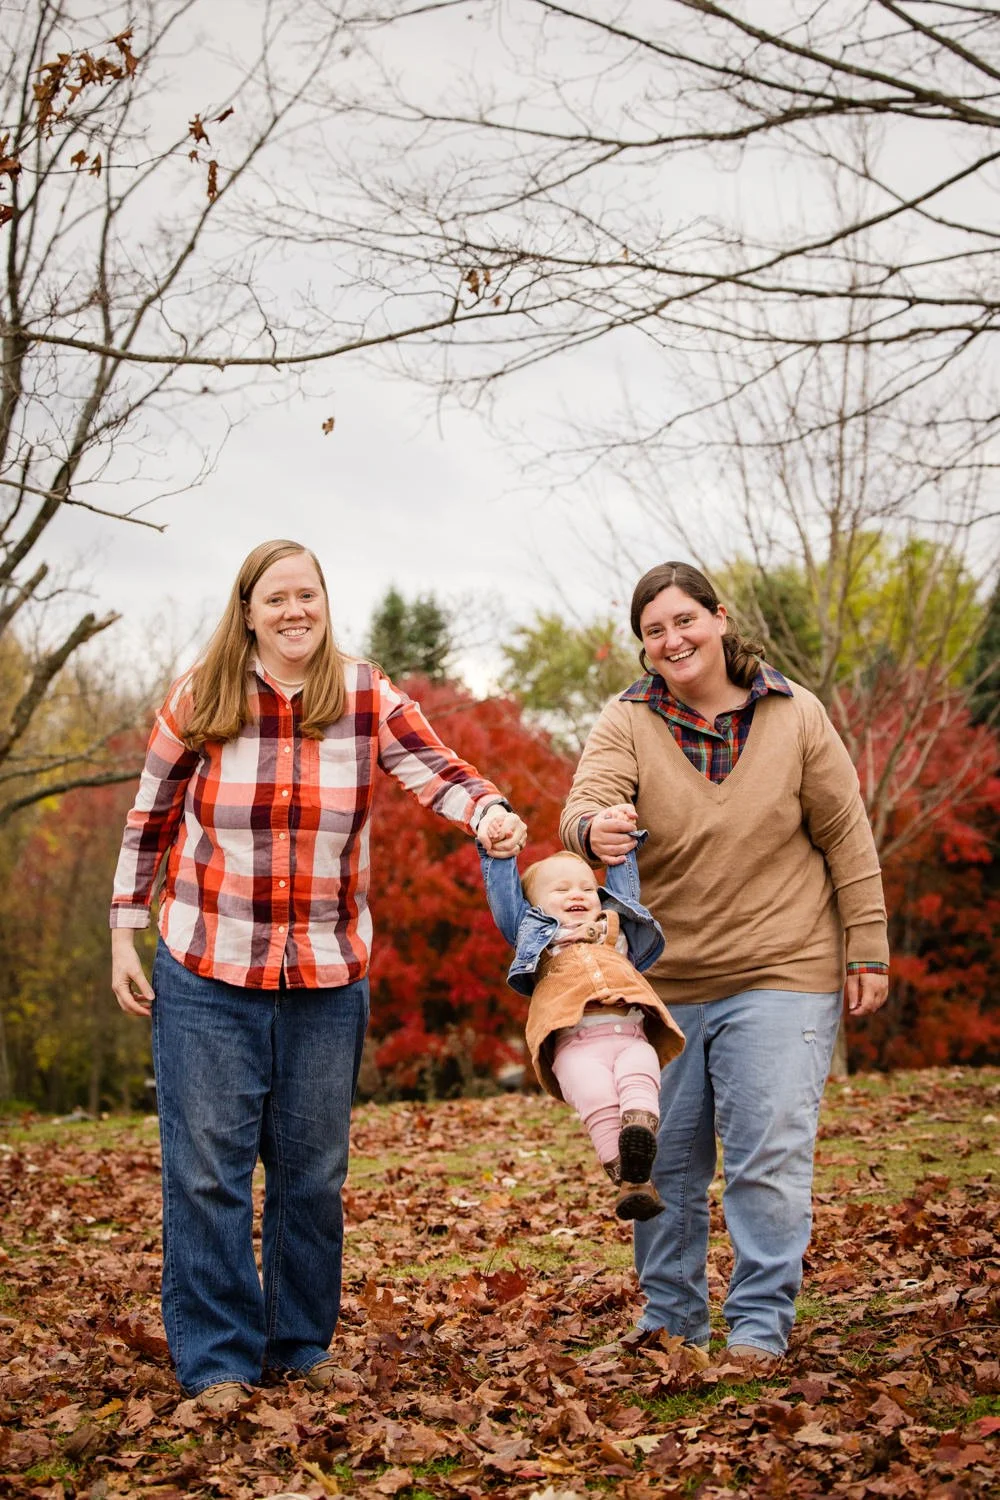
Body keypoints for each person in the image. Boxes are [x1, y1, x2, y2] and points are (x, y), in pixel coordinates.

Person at [110, 538, 527, 1409]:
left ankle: (298, 1346)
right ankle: (218, 1361)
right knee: (206, 1171)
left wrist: (486, 812)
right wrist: (125, 928)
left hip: (326, 975)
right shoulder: (204, 694)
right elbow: (148, 818)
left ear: (325, 603)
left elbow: (438, 770)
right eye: (276, 599)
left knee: (311, 1175)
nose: (294, 611)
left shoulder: (365, 693)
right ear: (249, 610)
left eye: (308, 595)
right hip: (207, 969)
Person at [559, 561, 889, 1366]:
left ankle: (759, 1324)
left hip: (785, 963)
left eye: (684, 621)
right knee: (662, 1160)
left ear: (719, 617)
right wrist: (595, 829)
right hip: (665, 984)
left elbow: (845, 831)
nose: (673, 640)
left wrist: (868, 943)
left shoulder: (794, 713)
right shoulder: (628, 720)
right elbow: (585, 803)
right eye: (654, 631)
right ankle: (672, 1322)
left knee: (766, 1152)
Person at [478, 838, 684, 1220]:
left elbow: (624, 890)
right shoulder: (534, 937)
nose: (579, 894)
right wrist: (499, 855)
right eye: (562, 889)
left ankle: (639, 1139)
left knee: (640, 1077)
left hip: (631, 1035)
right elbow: (506, 901)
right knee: (598, 1103)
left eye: (588, 888)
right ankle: (629, 1180)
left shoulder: (616, 928)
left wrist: (620, 849)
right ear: (534, 908)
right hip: (575, 1048)